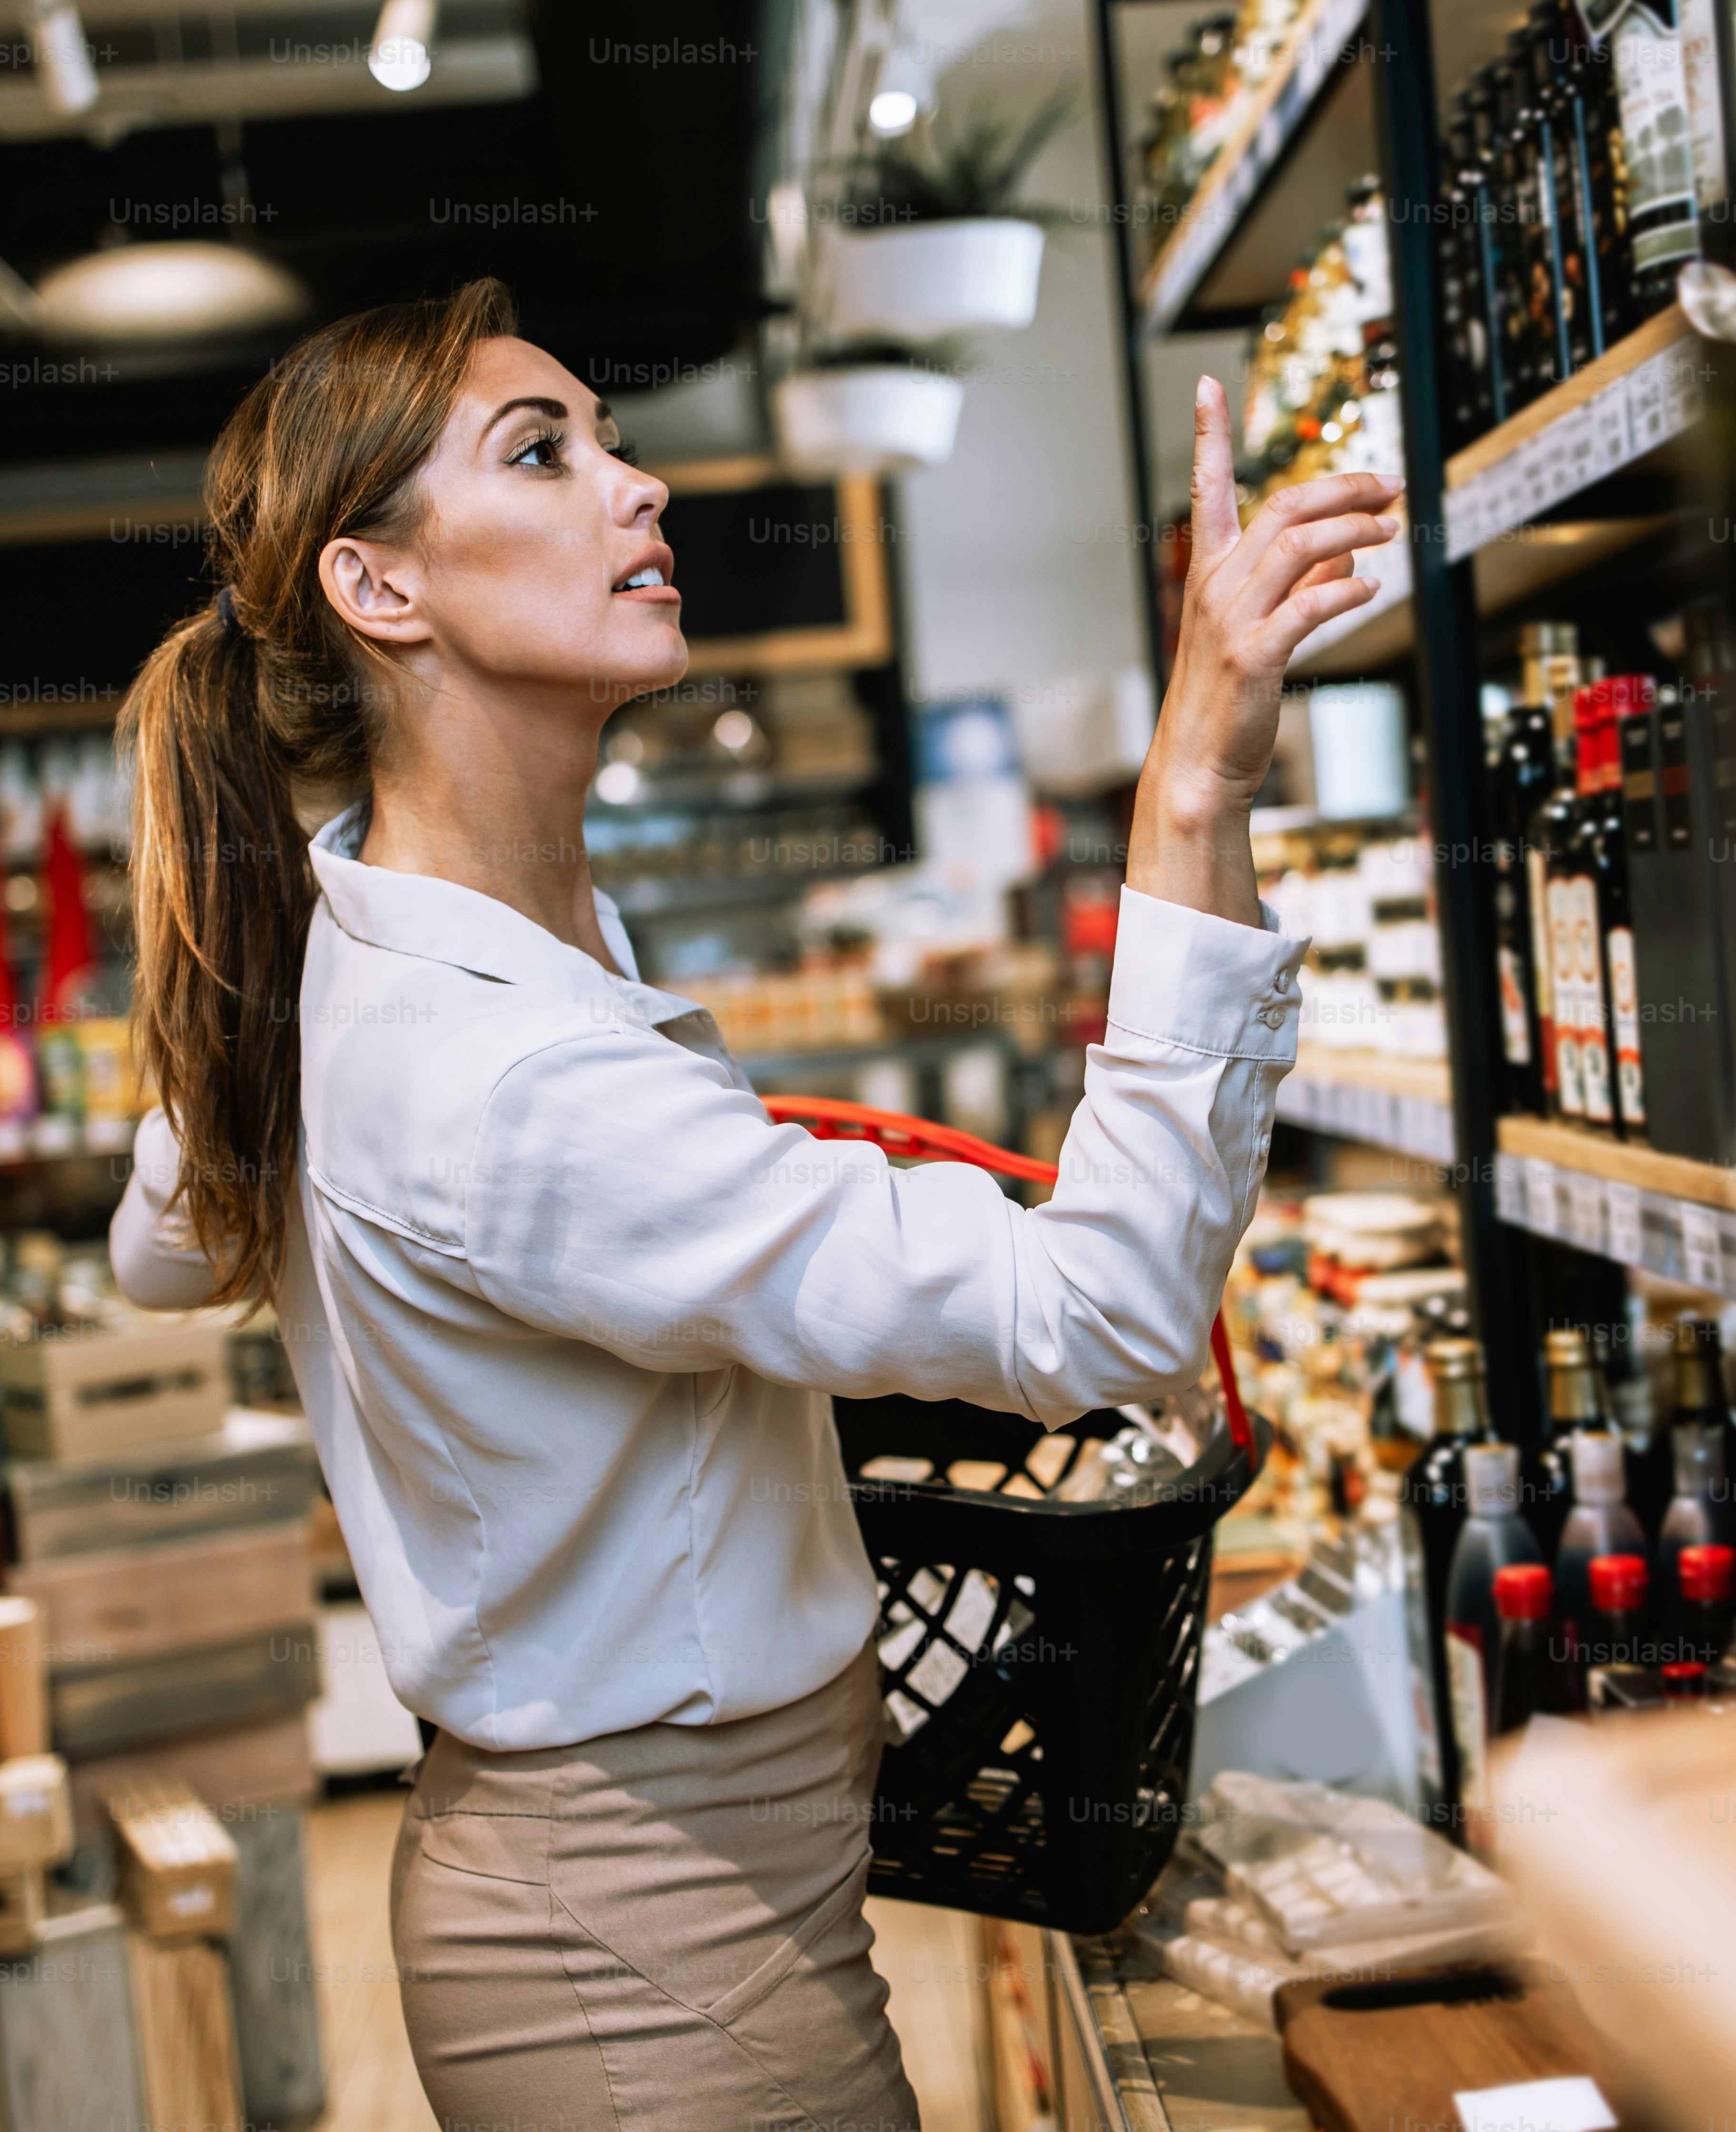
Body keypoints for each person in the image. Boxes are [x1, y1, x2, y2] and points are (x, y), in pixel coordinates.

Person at [107, 277, 1401, 2131]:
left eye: (611, 439)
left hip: (643, 1898)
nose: (637, 487)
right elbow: (1098, 1314)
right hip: (648, 1954)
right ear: (381, 589)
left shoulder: (364, 954)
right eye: (542, 453)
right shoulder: (500, 1068)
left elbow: (159, 1242)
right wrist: (1197, 778)